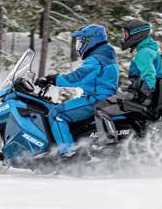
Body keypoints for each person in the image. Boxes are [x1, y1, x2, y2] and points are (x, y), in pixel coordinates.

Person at [37, 24, 119, 156]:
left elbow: (78, 77)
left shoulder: (96, 58)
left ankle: (68, 153)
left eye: (81, 41)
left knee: (56, 113)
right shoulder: (105, 55)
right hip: (102, 98)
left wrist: (53, 79)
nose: (79, 45)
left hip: (96, 100)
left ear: (91, 40)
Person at [94, 19, 162, 143]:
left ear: (136, 34)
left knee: (100, 108)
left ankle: (108, 143)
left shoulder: (143, 53)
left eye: (126, 34)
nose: (124, 37)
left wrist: (142, 97)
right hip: (146, 96)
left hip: (141, 96)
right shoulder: (151, 51)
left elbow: (149, 75)